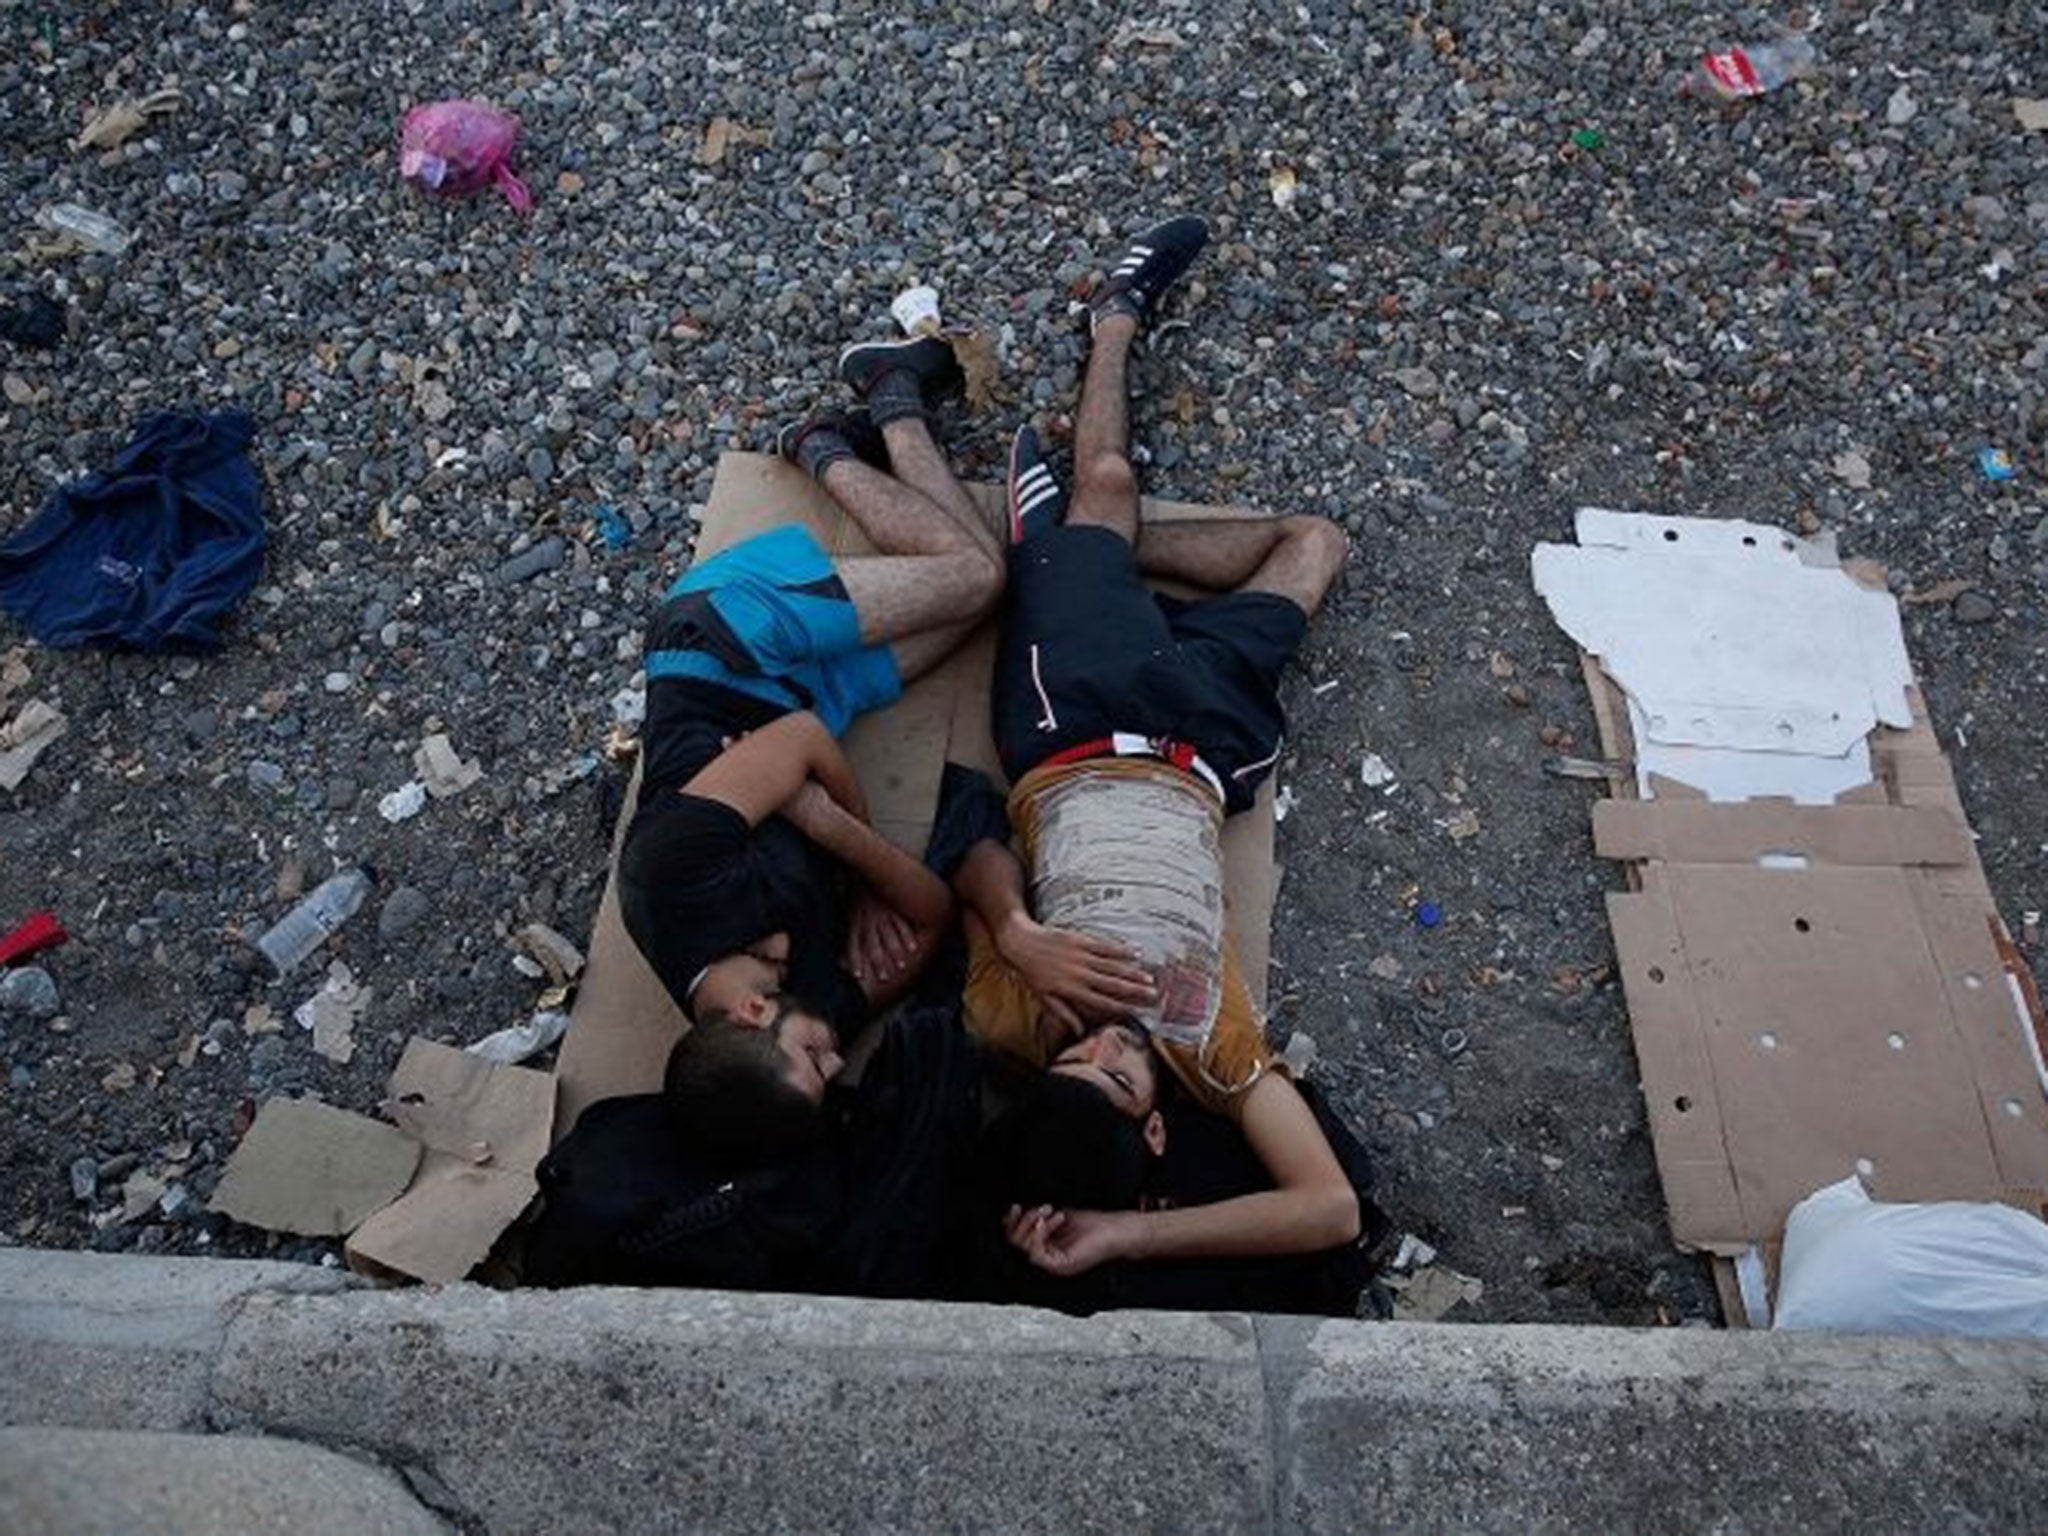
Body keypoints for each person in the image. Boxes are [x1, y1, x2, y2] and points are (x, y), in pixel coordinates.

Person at [952, 213, 1361, 1279]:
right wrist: (1124, 1237)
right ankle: (1081, 557)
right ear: (1154, 1132)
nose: (1105, 1042)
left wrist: (1014, 926)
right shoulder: (1206, 1053)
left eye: (1076, 1059)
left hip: (1076, 723)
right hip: (1205, 744)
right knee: (1313, 543)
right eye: (1118, 1078)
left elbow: (964, 846)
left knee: (1111, 487)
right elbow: (1327, 1213)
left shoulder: (1014, 1017)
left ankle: (1115, 320)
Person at [617, 336, 1009, 1160]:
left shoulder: (669, 877)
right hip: (805, 705)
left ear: (751, 1015)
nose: (838, 1051)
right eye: (833, 1069)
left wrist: (838, 829)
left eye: (816, 1059)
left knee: (973, 576)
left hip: (722, 638)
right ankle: (840, 435)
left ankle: (868, 402)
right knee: (985, 598)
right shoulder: (809, 1013)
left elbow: (794, 745)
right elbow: (930, 916)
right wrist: (850, 858)